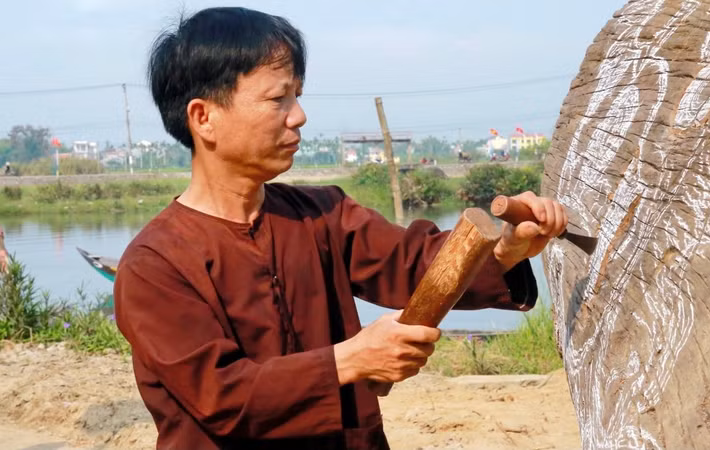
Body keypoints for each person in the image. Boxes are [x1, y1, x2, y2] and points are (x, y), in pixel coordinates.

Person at [113, 7, 568, 450]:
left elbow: (414, 264)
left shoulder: (322, 214)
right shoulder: (155, 264)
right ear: (204, 117)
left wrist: (506, 249)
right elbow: (221, 395)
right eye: (278, 99)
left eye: (298, 96)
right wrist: (350, 360)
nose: (298, 116)